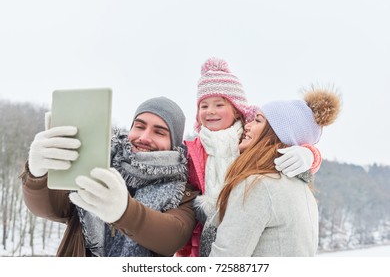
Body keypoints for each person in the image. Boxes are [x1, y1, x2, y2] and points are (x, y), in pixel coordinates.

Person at [176, 57, 322, 257]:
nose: (210, 112)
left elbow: (226, 257)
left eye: (219, 105)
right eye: (204, 106)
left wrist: (310, 154)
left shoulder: (253, 174)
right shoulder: (190, 150)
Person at [21, 96, 198, 257]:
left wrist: (124, 211)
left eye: (159, 132)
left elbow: (171, 239)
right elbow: (53, 209)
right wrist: (38, 175)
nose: (144, 137)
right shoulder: (97, 164)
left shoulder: (183, 192)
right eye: (139, 126)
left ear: (174, 142)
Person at [208, 88, 341, 256]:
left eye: (258, 120)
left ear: (275, 134)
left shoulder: (257, 185)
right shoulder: (303, 191)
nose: (247, 126)